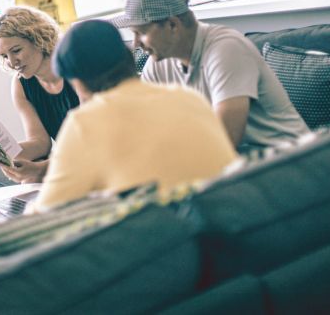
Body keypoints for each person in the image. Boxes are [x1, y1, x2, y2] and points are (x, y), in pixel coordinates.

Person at [34, 20, 237, 211]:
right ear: (129, 58)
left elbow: (47, 211)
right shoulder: (188, 97)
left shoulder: (84, 123)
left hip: (174, 232)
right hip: (235, 220)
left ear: (77, 81)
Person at [112, 0, 308, 150]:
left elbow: (224, 141)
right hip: (239, 162)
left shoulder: (227, 48)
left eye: (141, 33)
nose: (136, 44)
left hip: (289, 158)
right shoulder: (158, 62)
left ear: (173, 25)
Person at [0, 6, 80, 189]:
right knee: (25, 177)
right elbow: (40, 143)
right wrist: (3, 151)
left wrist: (40, 169)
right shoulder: (21, 85)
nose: (12, 62)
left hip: (95, 151)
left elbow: (96, 144)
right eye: (4, 56)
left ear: (39, 39)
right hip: (68, 155)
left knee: (32, 177)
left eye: (16, 50)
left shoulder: (75, 69)